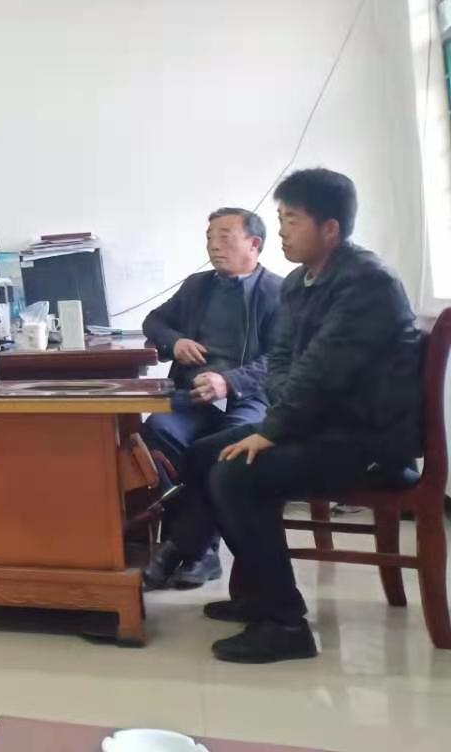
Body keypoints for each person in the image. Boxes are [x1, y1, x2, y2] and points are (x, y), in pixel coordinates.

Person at [175, 169, 422, 663]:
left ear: (329, 228)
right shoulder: (297, 283)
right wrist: (281, 414)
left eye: (291, 221)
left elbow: (324, 371)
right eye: (281, 220)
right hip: (320, 425)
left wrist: (274, 429)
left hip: (368, 440)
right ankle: (257, 594)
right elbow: (284, 361)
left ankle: (286, 623)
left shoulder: (366, 282)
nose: (282, 232)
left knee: (236, 471)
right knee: (203, 455)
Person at [140, 208, 283, 590]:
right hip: (191, 397)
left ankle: (197, 549)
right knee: (157, 431)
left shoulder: (278, 292)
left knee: (228, 446)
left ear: (254, 244)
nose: (213, 246)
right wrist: (176, 342)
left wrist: (229, 382)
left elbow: (280, 358)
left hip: (247, 398)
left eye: (224, 237)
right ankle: (189, 547)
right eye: (209, 238)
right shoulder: (197, 286)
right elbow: (153, 321)